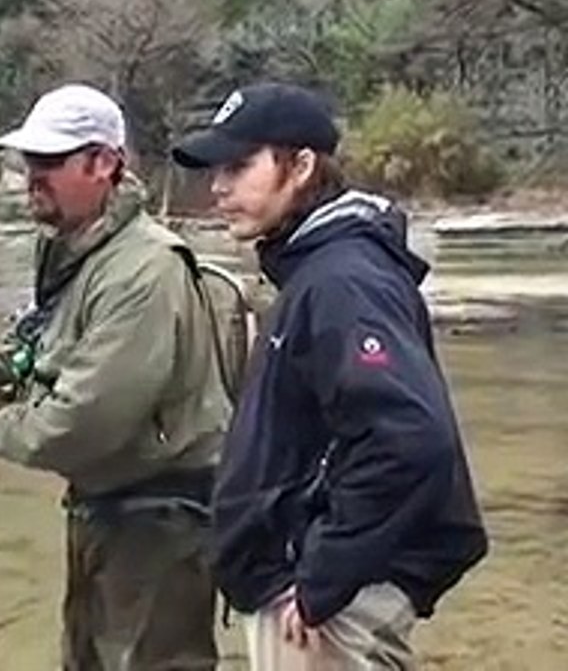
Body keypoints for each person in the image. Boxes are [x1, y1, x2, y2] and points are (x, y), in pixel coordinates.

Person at [170, 82, 489, 670]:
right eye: (216, 171)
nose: (218, 188)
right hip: (314, 594)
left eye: (239, 167)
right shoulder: (321, 272)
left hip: (327, 609)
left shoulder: (343, 281)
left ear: (302, 166)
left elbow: (409, 439)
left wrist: (324, 577)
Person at [0, 83, 231, 670]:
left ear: (105, 163)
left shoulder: (145, 269)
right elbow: (40, 337)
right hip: (102, 510)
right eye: (29, 160)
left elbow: (85, 420)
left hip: (160, 522)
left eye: (51, 161)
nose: (33, 175)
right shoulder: (69, 248)